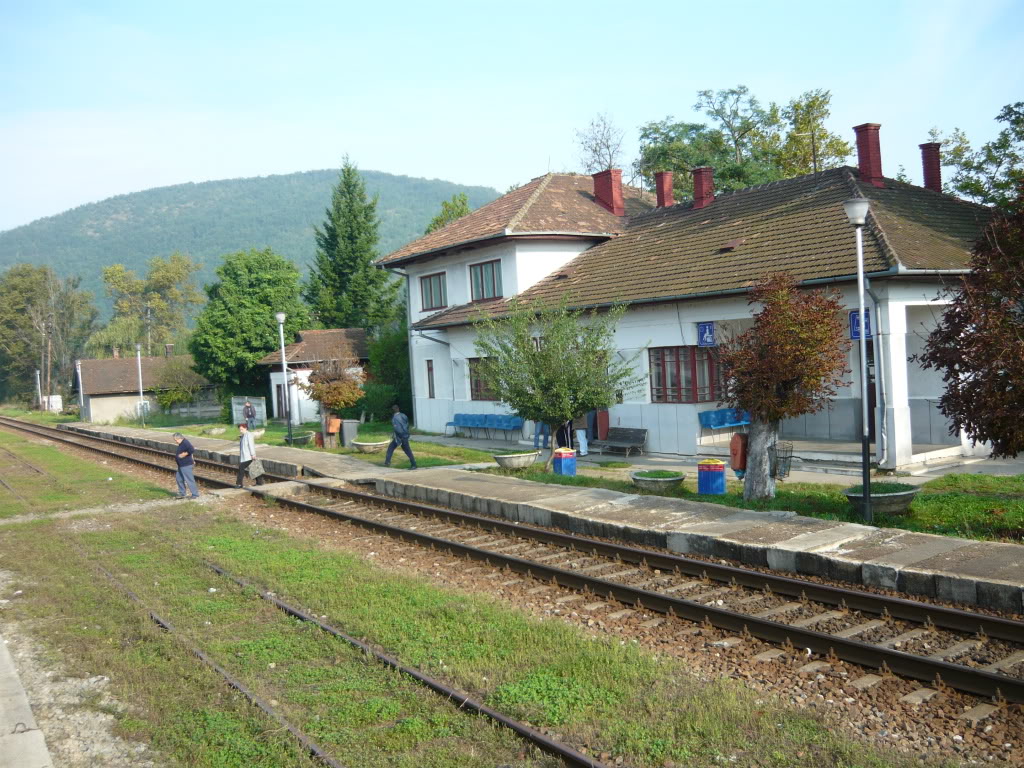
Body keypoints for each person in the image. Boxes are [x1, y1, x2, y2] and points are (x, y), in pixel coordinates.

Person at [384, 404, 417, 469]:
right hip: (405, 435)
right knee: (405, 450)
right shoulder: (403, 415)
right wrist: (406, 434)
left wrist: (400, 437)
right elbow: (407, 425)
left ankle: (414, 465)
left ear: (393, 411)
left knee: (393, 448)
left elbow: (397, 429)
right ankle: (387, 462)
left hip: (400, 437)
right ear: (398, 409)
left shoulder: (394, 418)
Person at [236, 422, 266, 488]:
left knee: (241, 468)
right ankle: (260, 482)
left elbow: (251, 445)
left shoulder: (249, 435)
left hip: (248, 456)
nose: (240, 431)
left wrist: (253, 454)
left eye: (242, 429)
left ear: (245, 428)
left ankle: (239, 484)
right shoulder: (243, 435)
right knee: (254, 468)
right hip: (245, 456)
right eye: (240, 429)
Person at [171, 432, 199, 499]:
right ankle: (182, 493)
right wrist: (192, 459)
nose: (176, 441)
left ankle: (195, 494)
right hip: (181, 465)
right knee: (179, 479)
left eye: (176, 440)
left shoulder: (185, 442)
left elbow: (191, 449)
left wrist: (185, 454)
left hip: (186, 465)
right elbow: (190, 452)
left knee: (189, 479)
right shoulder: (182, 443)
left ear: (180, 438)